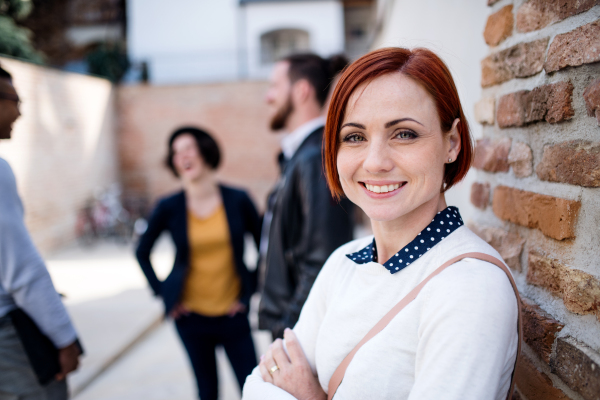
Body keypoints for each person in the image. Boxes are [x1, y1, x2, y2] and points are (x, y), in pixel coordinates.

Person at [243, 47, 520, 399]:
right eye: (355, 137)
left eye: (404, 133)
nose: (375, 163)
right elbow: (260, 384)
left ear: (452, 142)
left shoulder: (470, 288)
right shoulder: (345, 261)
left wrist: (310, 396)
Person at [136, 126, 260, 400]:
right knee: (207, 392)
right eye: (176, 152)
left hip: (233, 314)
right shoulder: (168, 206)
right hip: (191, 318)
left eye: (188, 148)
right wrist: (164, 293)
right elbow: (142, 252)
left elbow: (266, 248)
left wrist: (250, 287)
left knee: (253, 388)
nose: (182, 156)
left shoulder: (238, 199)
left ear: (205, 152)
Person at [259, 53, 354, 340]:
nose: (268, 97)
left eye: (275, 86)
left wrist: (287, 328)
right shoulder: (302, 155)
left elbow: (322, 258)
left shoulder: (315, 158)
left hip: (299, 330)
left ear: (301, 91)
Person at [0, 66, 81, 399]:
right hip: (11, 341)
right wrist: (65, 337)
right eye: (13, 100)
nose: (19, 111)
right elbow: (21, 270)